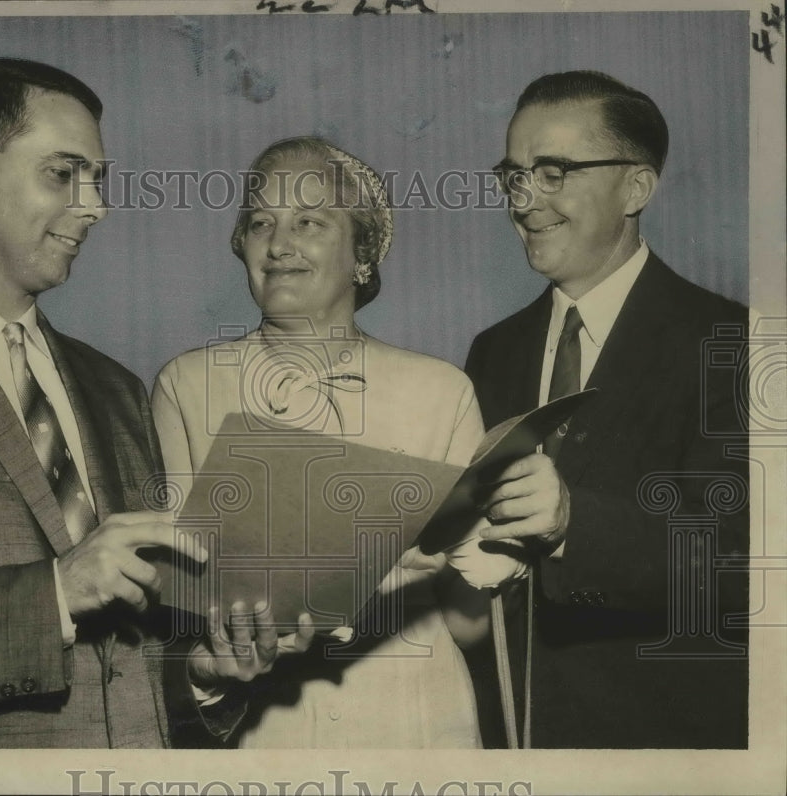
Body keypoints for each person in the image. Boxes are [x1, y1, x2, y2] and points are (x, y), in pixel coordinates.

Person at [0, 57, 285, 749]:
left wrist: (204, 679)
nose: (94, 206)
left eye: (98, 180)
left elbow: (131, 666)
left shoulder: (117, 388)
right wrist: (56, 592)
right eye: (63, 174)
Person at [151, 137, 522, 748]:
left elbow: (472, 621)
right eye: (260, 222)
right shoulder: (186, 386)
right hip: (267, 732)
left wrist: (484, 552)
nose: (278, 244)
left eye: (309, 222)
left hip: (418, 726)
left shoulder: (442, 391)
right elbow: (176, 601)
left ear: (363, 256)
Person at [465, 70, 749, 748]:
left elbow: (739, 562)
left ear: (637, 187)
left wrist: (572, 522)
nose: (525, 200)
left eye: (554, 171)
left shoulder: (734, 343)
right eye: (514, 176)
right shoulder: (492, 351)